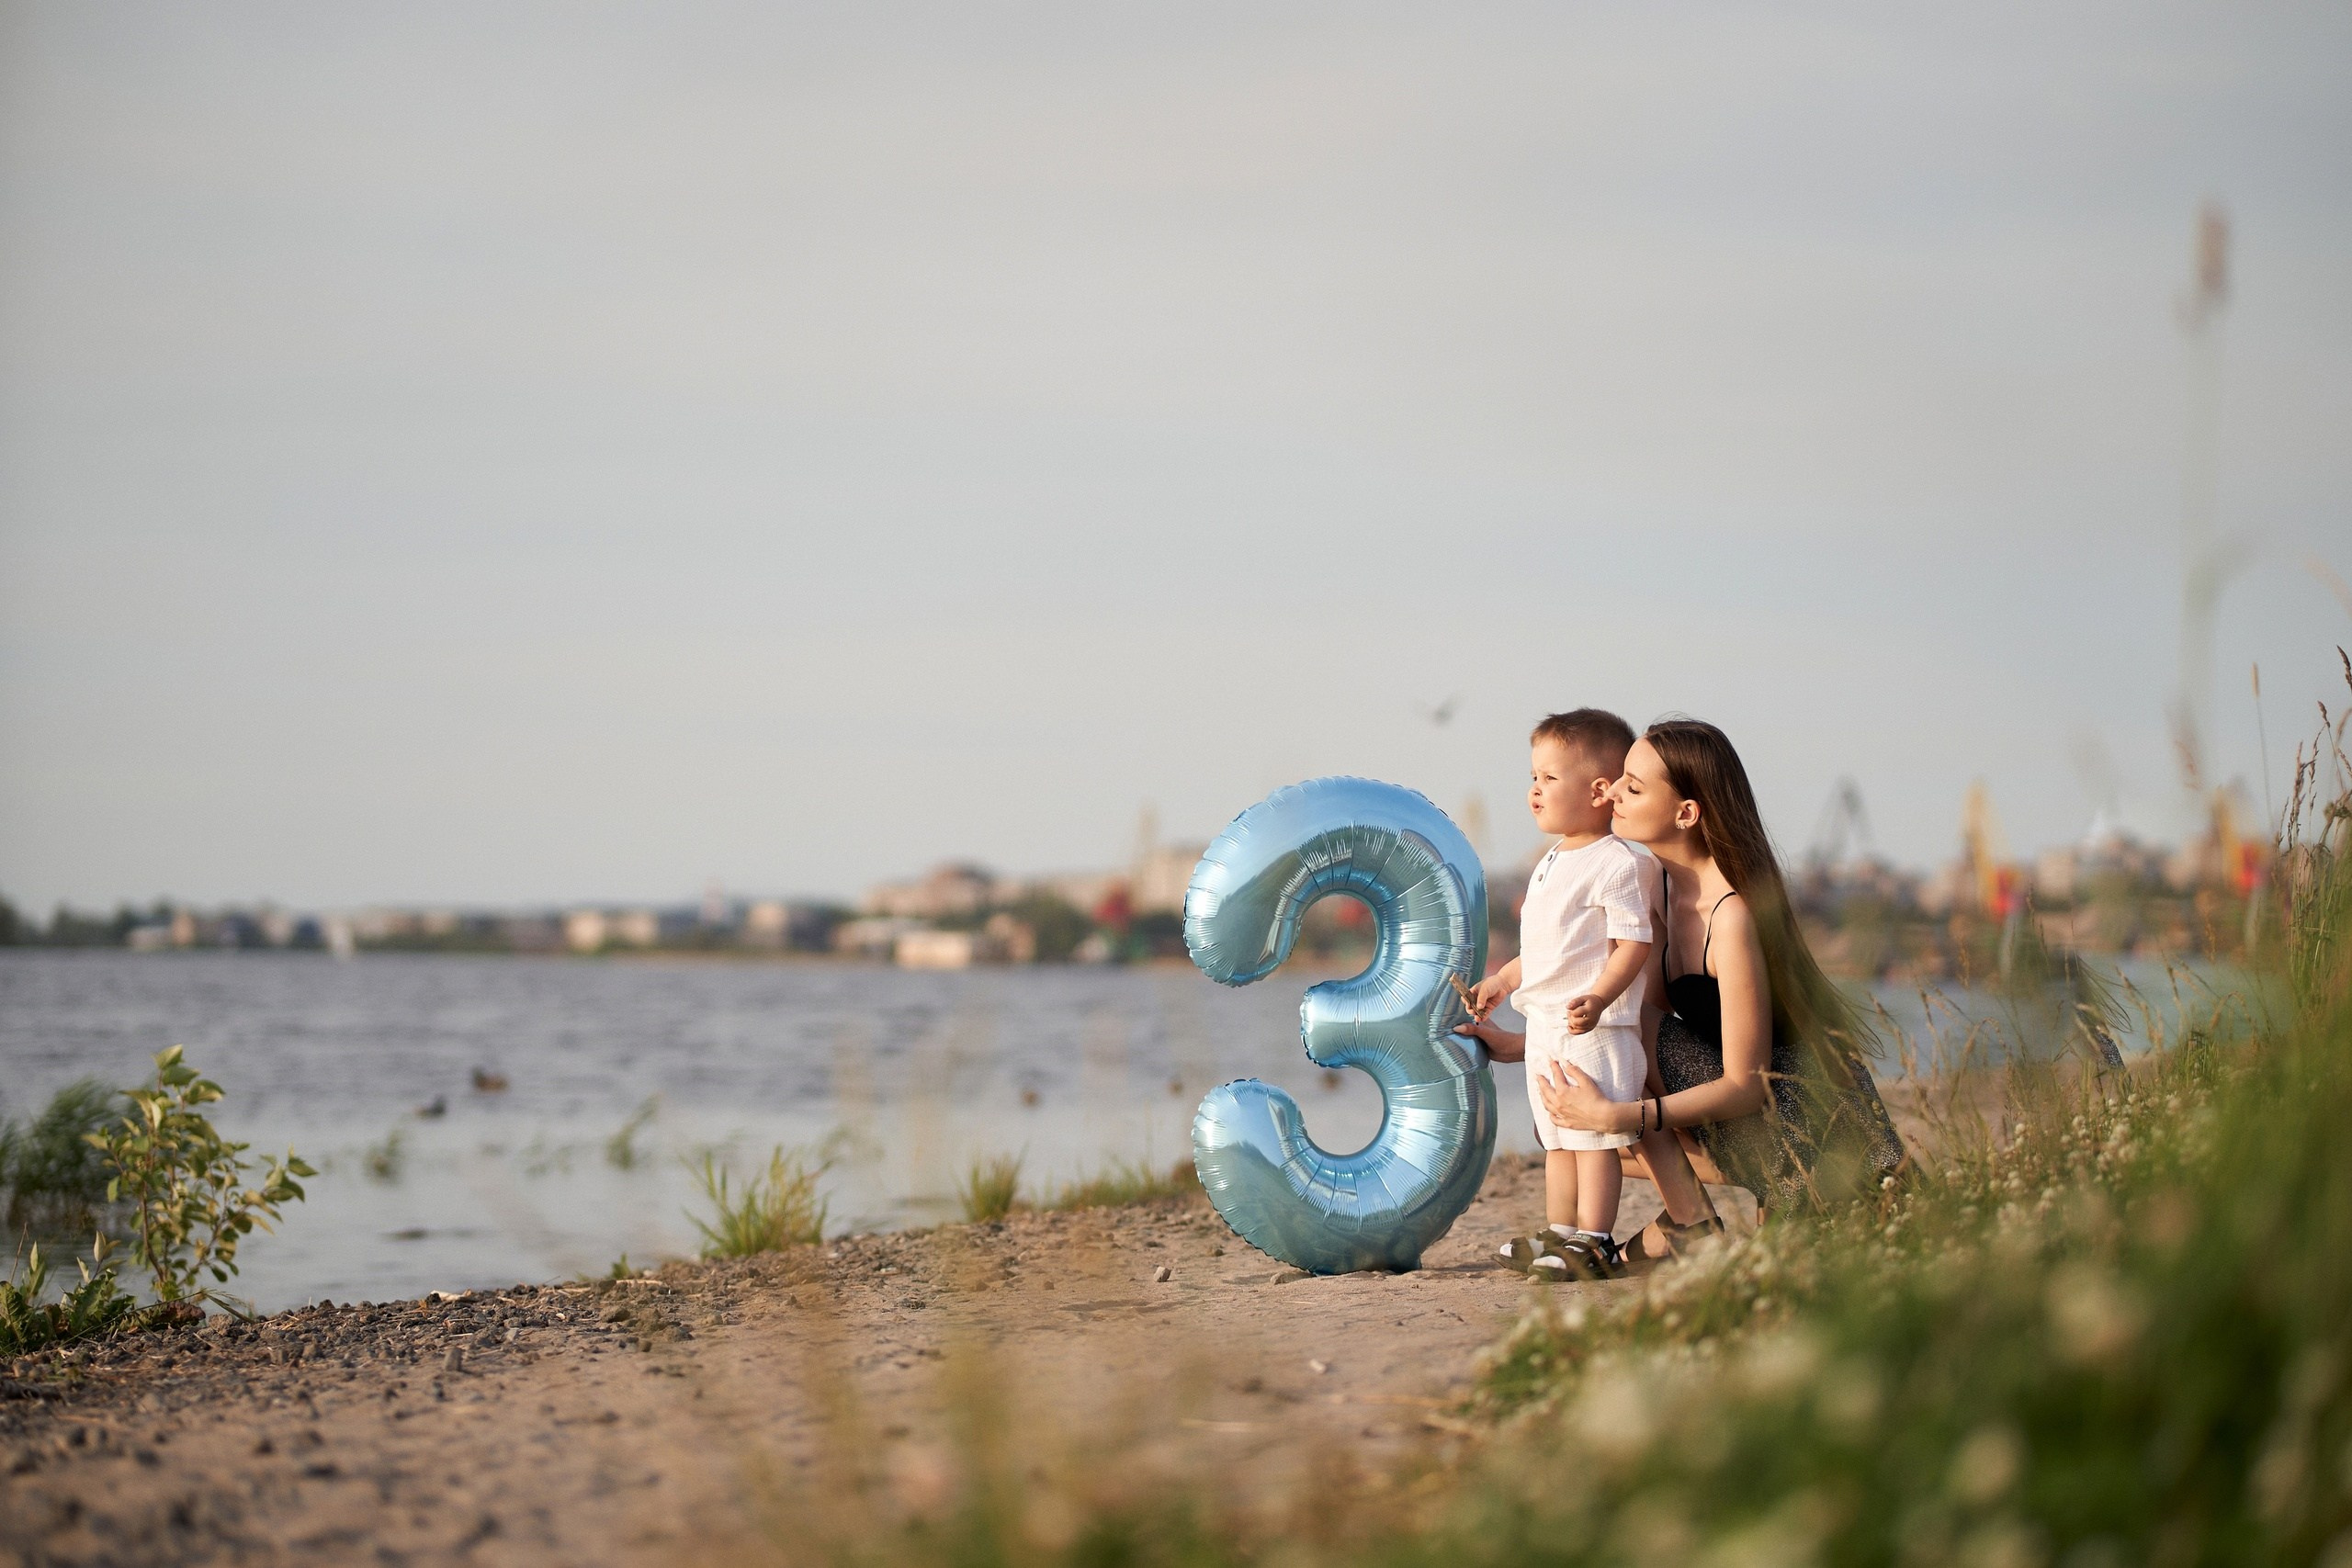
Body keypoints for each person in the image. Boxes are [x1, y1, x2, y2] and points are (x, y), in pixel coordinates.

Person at [1532, 717, 1906, 1215]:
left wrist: (1620, 1116)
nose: (1613, 792)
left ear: (1686, 813)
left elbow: (1745, 1086)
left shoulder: (1731, 915)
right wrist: (1528, 1042)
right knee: (1559, 1122)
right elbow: (1627, 1024)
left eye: (1634, 787)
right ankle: (1690, 1224)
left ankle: (1711, 1215)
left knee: (1607, 1095)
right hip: (1748, 1120)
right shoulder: (1656, 885)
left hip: (1817, 1125)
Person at [1454, 709, 1708, 1280]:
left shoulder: (1619, 862)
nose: (1534, 790)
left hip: (1595, 1028)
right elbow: (1550, 949)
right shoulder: (1552, 859)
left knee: (1593, 1140)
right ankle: (1560, 1231)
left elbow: (1633, 944)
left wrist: (1599, 999)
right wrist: (1503, 982)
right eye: (1533, 777)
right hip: (1548, 1026)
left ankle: (1594, 1237)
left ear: (1597, 791)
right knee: (1558, 1139)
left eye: (1549, 778)